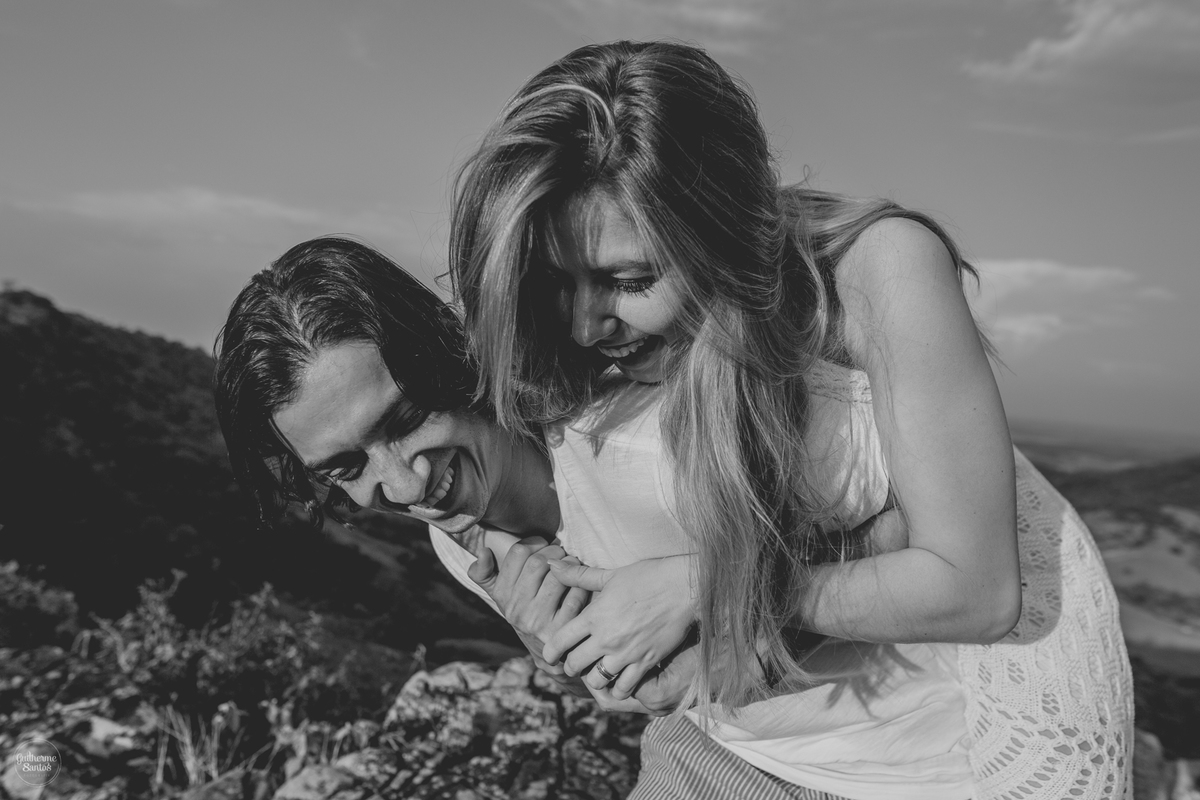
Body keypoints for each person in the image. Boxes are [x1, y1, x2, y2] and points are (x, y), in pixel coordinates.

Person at [449, 40, 1133, 799]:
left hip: (961, 728)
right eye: (556, 282)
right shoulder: (616, 336)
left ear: (720, 235)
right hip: (752, 732)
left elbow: (977, 587)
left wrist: (708, 588)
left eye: (631, 279)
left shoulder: (883, 268)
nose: (584, 327)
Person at [212, 235, 706, 712]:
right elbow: (600, 689)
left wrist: (700, 585)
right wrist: (549, 653)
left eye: (405, 421)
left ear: (451, 357)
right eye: (347, 468)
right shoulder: (458, 541)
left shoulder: (653, 446)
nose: (408, 487)